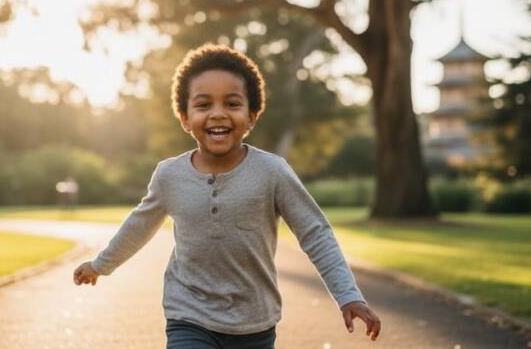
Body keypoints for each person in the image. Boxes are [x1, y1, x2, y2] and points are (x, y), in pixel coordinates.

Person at [73, 44, 381, 348]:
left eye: (232, 104)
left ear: (252, 116)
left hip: (254, 323)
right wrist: (101, 264)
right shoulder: (169, 175)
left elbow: (315, 233)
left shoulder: (272, 172)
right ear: (184, 117)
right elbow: (139, 226)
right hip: (188, 316)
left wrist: (348, 295)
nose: (217, 114)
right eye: (203, 105)